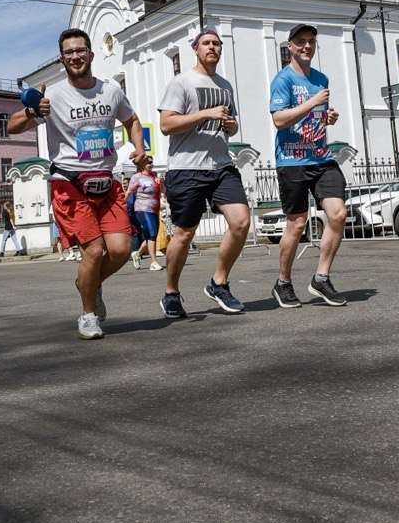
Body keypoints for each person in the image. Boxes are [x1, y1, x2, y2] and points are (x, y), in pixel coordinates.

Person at [8, 28, 145, 340]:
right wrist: (32, 110)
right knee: (94, 252)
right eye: (69, 53)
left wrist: (140, 147)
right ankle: (88, 314)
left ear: (91, 54)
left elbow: (132, 120)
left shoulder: (110, 90)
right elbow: (14, 126)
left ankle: (89, 282)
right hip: (69, 184)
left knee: (122, 249)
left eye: (80, 50)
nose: (75, 57)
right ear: (62, 59)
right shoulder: (52, 96)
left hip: (106, 183)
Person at [156, 28, 252, 318]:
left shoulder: (226, 85)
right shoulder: (181, 82)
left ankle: (219, 282)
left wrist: (231, 127)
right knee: (184, 235)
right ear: (196, 49)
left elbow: (230, 122)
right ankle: (171, 292)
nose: (212, 48)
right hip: (186, 167)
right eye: (206, 43)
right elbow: (166, 125)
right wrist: (204, 114)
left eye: (216, 44)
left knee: (241, 221)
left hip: (221, 165)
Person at [269, 24, 348, 308]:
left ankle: (321, 278)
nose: (306, 46)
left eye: (311, 42)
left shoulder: (321, 79)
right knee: (297, 224)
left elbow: (317, 115)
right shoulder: (283, 80)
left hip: (321, 158)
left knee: (338, 214)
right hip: (292, 161)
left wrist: (328, 118)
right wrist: (312, 102)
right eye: (301, 42)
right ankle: (283, 282)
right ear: (290, 47)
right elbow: (279, 119)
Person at [126, 156, 165, 271]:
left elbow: (163, 191)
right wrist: (121, 206)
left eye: (152, 162)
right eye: (148, 162)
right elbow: (128, 192)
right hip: (142, 209)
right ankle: (153, 262)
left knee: (151, 236)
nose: (151, 164)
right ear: (142, 164)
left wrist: (161, 184)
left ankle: (137, 254)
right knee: (152, 233)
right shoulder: (136, 177)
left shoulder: (154, 176)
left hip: (154, 209)